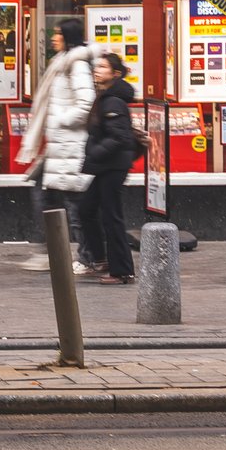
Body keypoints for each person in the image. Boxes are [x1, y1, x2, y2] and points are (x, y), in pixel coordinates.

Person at [17, 19, 98, 271]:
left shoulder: (76, 65)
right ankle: (52, 250)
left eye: (57, 34)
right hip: (59, 147)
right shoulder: (62, 63)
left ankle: (87, 257)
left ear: (68, 36)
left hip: (71, 147)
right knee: (44, 193)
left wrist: (60, 121)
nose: (53, 37)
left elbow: (87, 102)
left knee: (75, 207)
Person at [76, 52, 142, 283]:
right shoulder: (105, 97)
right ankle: (101, 258)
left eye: (103, 67)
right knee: (86, 209)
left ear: (115, 74)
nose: (97, 70)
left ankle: (122, 271)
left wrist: (95, 153)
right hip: (106, 166)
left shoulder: (113, 101)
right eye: (97, 66)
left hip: (113, 167)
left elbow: (120, 137)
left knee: (112, 217)